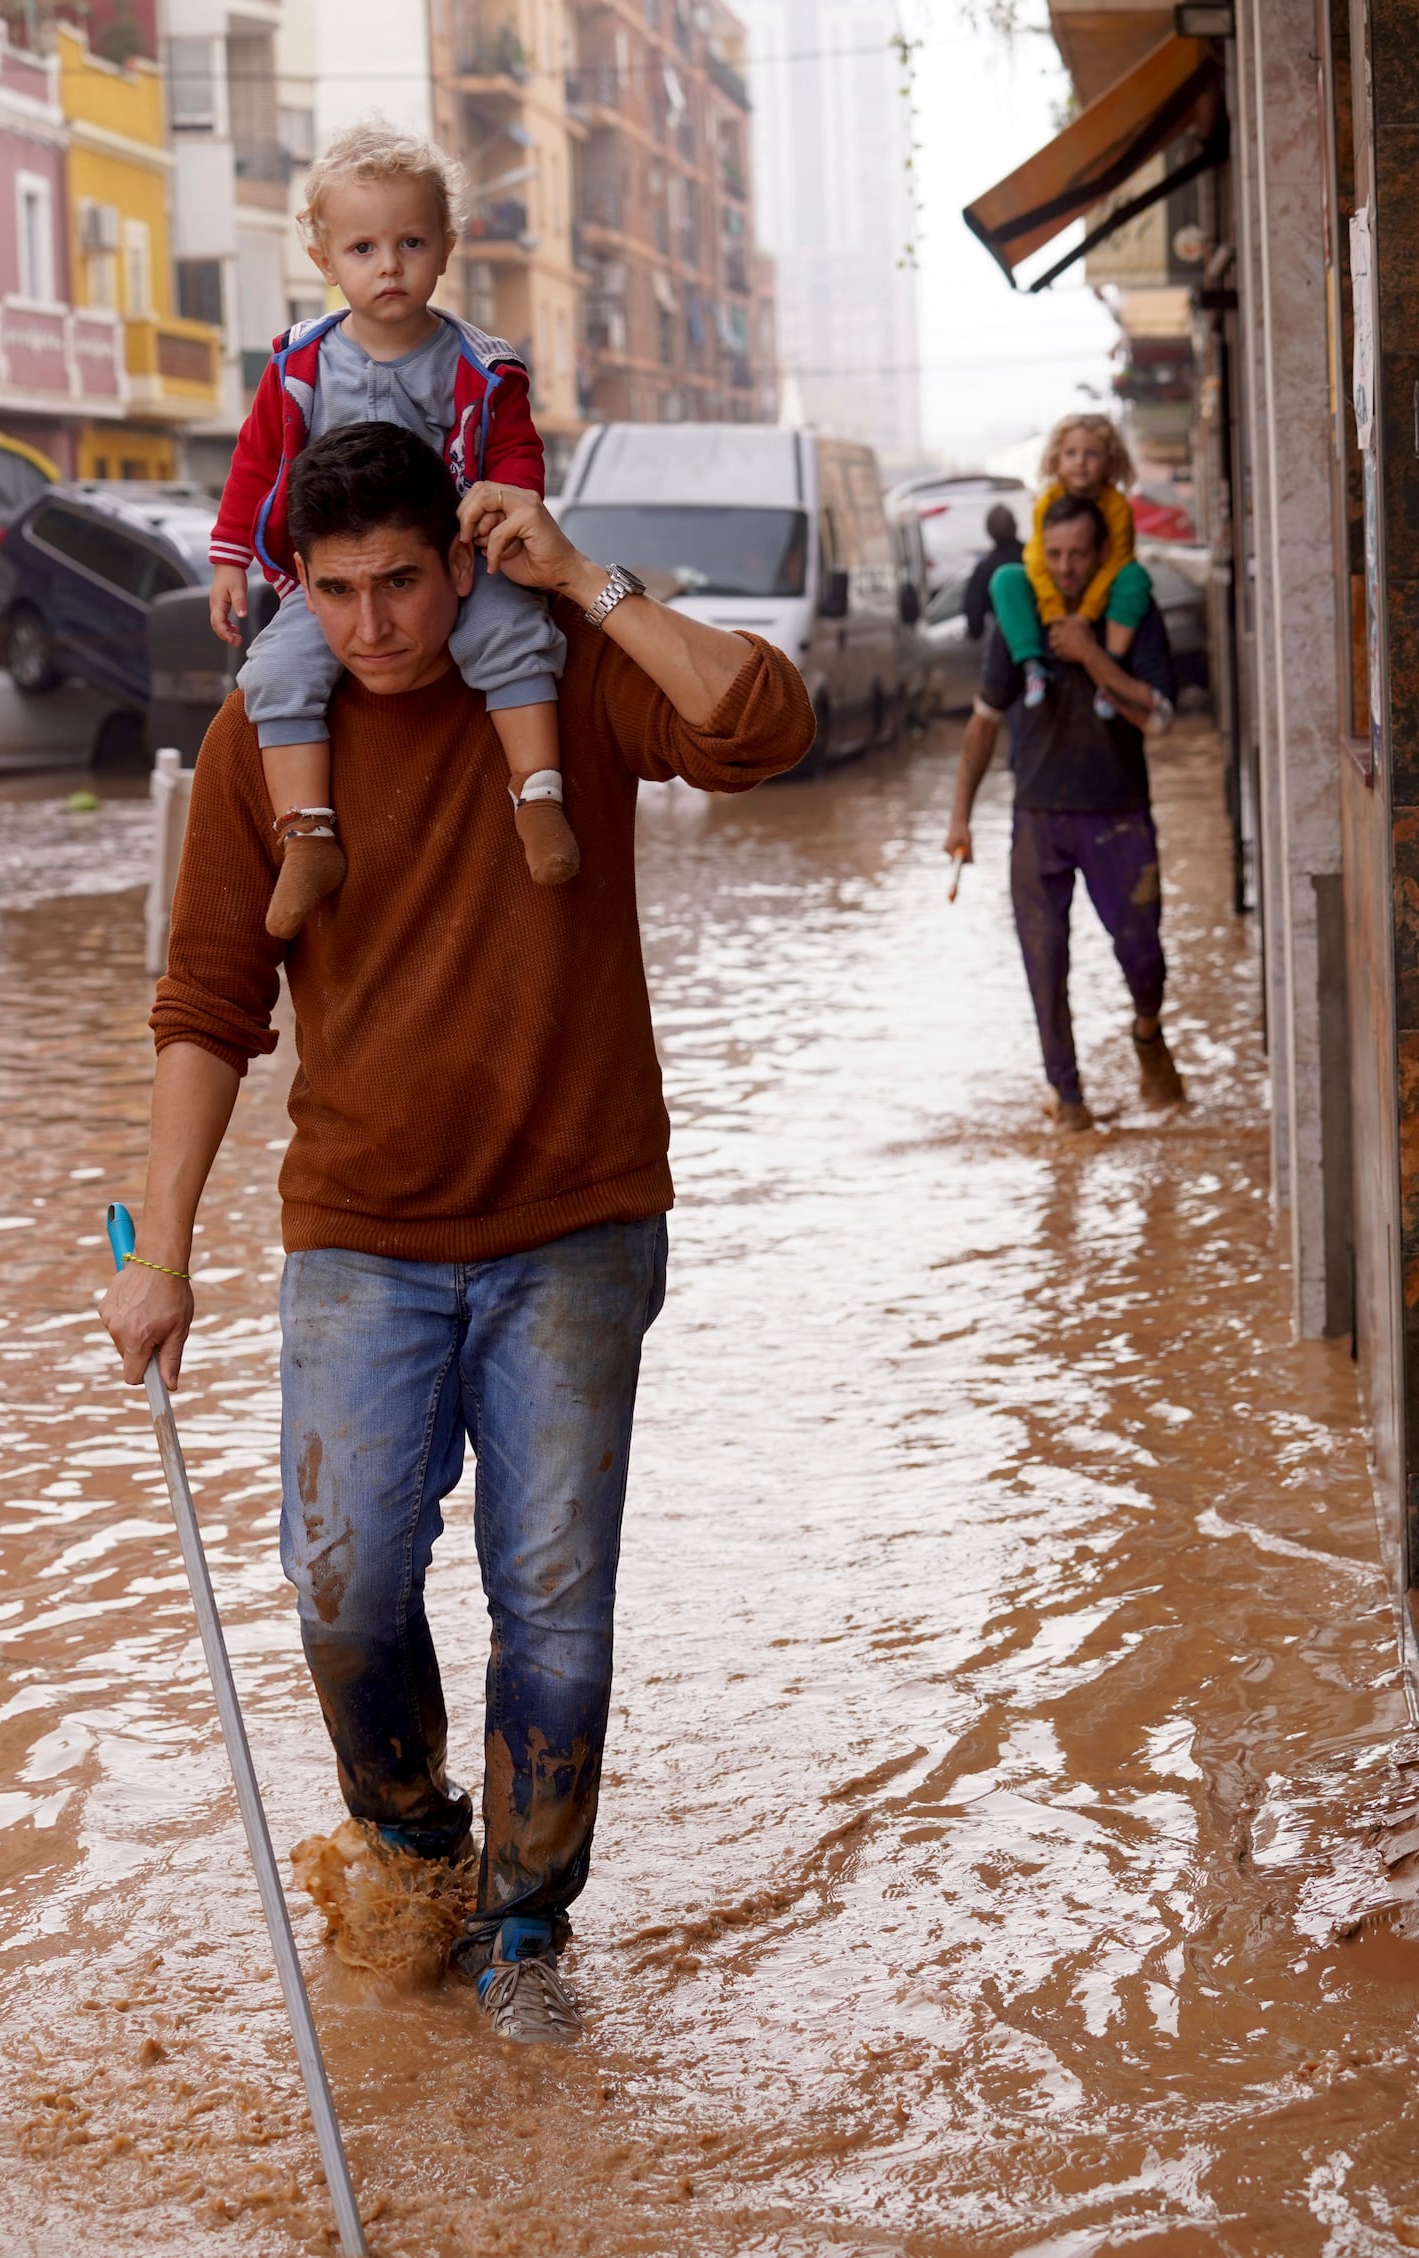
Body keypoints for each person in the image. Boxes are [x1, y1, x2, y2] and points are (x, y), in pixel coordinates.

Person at [100, 421, 812, 2044]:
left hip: (575, 1221)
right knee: (342, 1587)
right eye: (336, 592)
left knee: (553, 1601)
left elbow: (764, 724)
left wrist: (584, 576)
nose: (374, 627)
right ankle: (417, 1838)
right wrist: (162, 1248)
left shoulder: (558, 667)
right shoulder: (258, 737)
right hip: (359, 1233)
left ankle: (525, 1930)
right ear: (299, 586)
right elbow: (209, 1002)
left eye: (404, 582)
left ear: (461, 558)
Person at [209, 122, 577, 942]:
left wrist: (512, 507)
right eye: (364, 248)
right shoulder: (299, 364)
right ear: (325, 261)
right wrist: (232, 556)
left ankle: (539, 794)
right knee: (273, 674)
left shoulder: (479, 365)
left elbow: (517, 451)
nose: (389, 266)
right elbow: (256, 459)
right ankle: (307, 836)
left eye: (411, 243)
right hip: (332, 574)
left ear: (447, 247)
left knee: (516, 638)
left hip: (459, 564)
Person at [943, 491, 1186, 1131]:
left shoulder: (1131, 610)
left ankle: (1147, 1032)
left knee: (1143, 957)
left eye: (1079, 554)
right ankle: (1069, 1102)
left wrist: (1092, 655)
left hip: (1118, 814)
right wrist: (959, 817)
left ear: (1101, 551)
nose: (1067, 567)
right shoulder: (1018, 615)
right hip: (1038, 817)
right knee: (1044, 961)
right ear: (1039, 555)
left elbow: (1160, 717)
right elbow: (984, 721)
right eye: (1055, 555)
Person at [988, 414, 1152, 719]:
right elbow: (1037, 561)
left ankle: (1110, 672)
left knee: (1134, 577)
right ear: (1056, 459)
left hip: (1101, 593)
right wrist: (1054, 614)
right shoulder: (1046, 502)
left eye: (1091, 454)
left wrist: (1085, 616)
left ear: (1109, 461)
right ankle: (1033, 666)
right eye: (1071, 453)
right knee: (1005, 579)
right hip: (1052, 596)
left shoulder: (1116, 507)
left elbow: (1116, 563)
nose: (1080, 462)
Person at [963, 502, 1024, 643]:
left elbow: (974, 620)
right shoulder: (1034, 557)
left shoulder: (984, 569)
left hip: (1006, 645)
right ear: (1016, 525)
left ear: (988, 531)